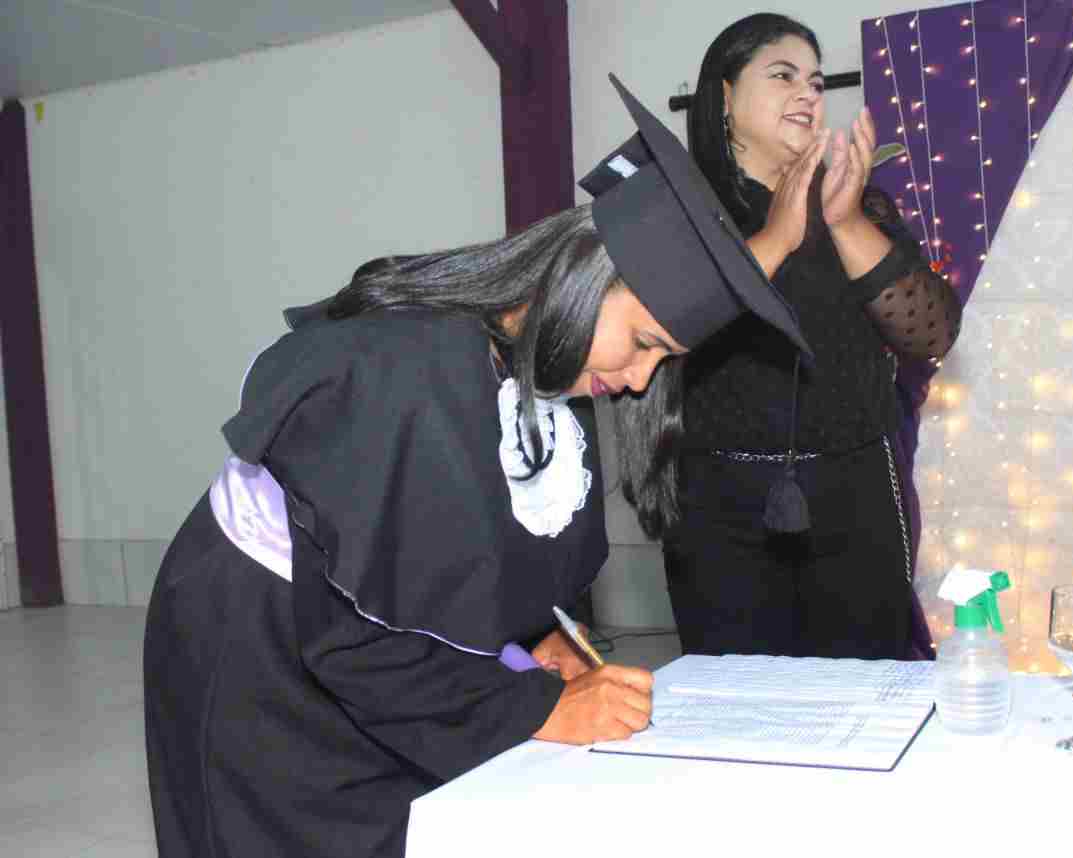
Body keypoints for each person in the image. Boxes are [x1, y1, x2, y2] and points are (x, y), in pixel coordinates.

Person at [143, 76, 811, 858]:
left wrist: (538, 636)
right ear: (585, 278)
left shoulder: (552, 378)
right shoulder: (409, 374)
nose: (638, 380)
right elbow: (359, 637)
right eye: (644, 343)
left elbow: (468, 552)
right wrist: (534, 710)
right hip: (265, 645)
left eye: (663, 361)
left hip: (363, 651)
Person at [660, 13, 962, 660]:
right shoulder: (678, 210)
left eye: (818, 83)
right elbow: (671, 328)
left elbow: (933, 333)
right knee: (735, 698)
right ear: (724, 96)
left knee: (866, 692)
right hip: (719, 503)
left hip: (858, 494)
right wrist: (778, 238)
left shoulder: (856, 202)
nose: (808, 93)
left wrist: (845, 222)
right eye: (783, 75)